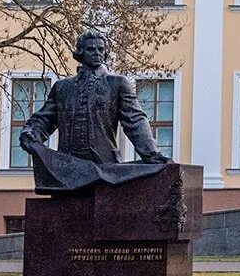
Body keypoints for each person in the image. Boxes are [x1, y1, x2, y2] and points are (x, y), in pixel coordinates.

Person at [19, 30, 167, 190]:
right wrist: (31, 133)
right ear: (81, 53)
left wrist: (150, 153)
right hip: (67, 170)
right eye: (91, 49)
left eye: (100, 49)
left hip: (104, 167)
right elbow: (44, 119)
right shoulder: (62, 87)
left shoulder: (117, 84)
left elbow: (135, 120)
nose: (97, 53)